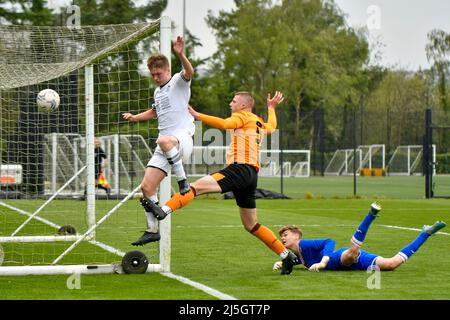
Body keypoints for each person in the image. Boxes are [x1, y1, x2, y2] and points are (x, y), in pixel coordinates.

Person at [142, 90, 298, 275]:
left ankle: (164, 210)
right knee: (252, 225)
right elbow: (271, 125)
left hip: (238, 170)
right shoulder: (257, 121)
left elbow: (224, 124)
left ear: (242, 106)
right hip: (251, 175)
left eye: (233, 101)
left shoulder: (242, 116)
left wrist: (197, 114)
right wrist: (271, 108)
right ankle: (286, 255)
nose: (230, 104)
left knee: (195, 187)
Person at [122, 36, 195, 245]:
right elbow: (154, 112)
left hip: (181, 140)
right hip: (165, 146)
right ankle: (153, 230)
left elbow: (190, 72)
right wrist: (135, 117)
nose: (155, 77)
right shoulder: (157, 91)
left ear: (168, 71)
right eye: (152, 74)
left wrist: (180, 54)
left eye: (159, 73)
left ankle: (183, 182)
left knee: (164, 141)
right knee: (146, 188)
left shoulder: (177, 82)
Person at [273, 202, 446, 273]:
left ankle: (371, 215)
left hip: (341, 258)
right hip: (355, 264)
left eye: (285, 235)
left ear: (296, 235)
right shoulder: (299, 254)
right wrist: (284, 262)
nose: (283, 239)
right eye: (282, 237)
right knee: (392, 264)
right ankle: (426, 233)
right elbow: (302, 261)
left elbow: (329, 241)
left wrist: (324, 262)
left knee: (350, 254)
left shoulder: (305, 243)